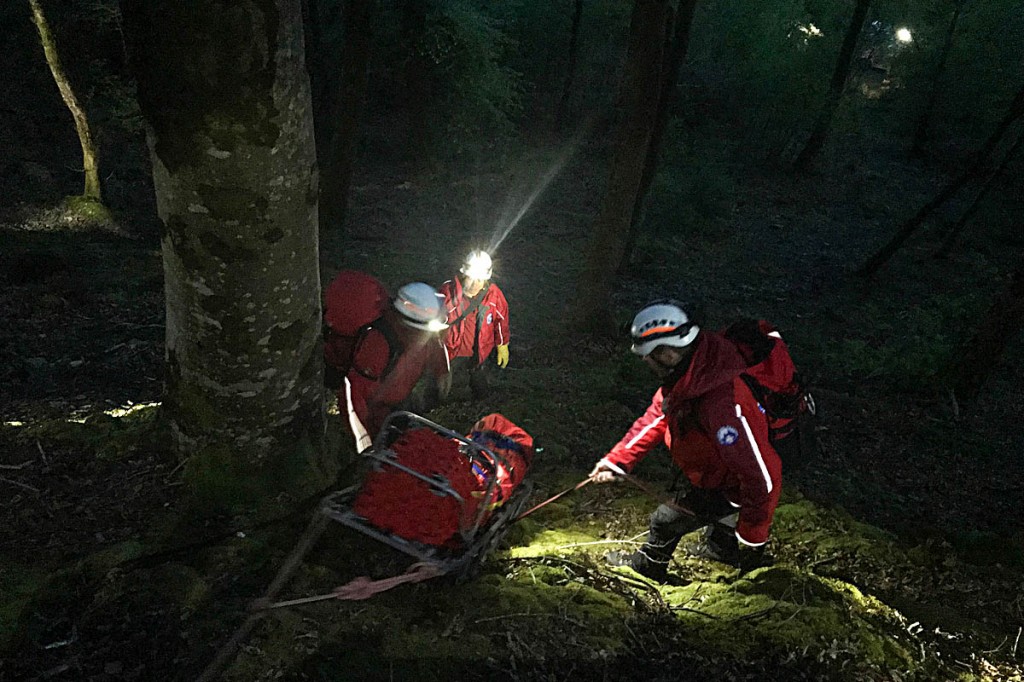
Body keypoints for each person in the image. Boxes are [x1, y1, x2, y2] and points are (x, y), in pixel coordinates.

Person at [589, 300, 789, 581]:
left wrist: (753, 540)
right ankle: (720, 549)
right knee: (718, 507)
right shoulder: (696, 368)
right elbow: (658, 416)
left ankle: (648, 568)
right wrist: (617, 460)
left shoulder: (723, 404)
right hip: (720, 469)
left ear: (669, 352)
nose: (645, 361)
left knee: (664, 521)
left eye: (648, 355)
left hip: (734, 480)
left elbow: (762, 476)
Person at [323, 271, 449, 452]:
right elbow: (353, 392)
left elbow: (434, 345)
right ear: (410, 321)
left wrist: (442, 372)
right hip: (375, 410)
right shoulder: (378, 343)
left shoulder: (419, 331)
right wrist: (363, 439)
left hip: (397, 399)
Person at [438, 250, 510, 400]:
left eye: (479, 279)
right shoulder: (448, 292)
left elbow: (501, 320)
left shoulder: (494, 296)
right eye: (472, 278)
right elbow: (435, 317)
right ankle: (436, 409)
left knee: (480, 384)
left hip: (479, 351)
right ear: (464, 274)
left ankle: (482, 406)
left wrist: (502, 345)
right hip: (452, 351)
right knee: (442, 386)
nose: (475, 283)